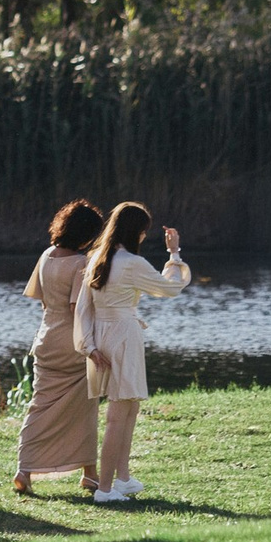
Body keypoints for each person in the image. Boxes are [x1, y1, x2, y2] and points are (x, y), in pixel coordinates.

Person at [76, 203, 191, 505]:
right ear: (135, 231)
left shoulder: (97, 258)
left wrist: (90, 346)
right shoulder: (129, 262)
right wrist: (174, 254)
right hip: (124, 335)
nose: (143, 235)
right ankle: (104, 488)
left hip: (104, 336)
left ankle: (123, 478)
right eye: (143, 230)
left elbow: (83, 309)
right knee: (118, 413)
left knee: (129, 406)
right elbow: (169, 288)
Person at [12, 200, 105, 495]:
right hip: (73, 345)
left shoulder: (46, 255)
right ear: (86, 234)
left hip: (45, 339)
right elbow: (78, 310)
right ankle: (90, 473)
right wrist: (92, 345)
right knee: (85, 409)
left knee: (40, 405)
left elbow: (41, 299)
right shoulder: (81, 264)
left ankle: (24, 469)